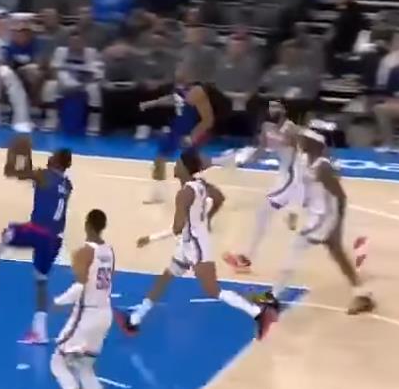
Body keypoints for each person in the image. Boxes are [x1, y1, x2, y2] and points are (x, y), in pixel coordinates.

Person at [115, 149, 278, 340]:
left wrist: (151, 238)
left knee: (213, 290)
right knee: (165, 278)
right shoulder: (200, 184)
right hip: (189, 242)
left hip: (195, 245)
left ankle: (259, 313)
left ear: (185, 167)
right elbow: (219, 197)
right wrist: (206, 219)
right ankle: (134, 319)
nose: (175, 165)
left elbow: (177, 228)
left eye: (178, 163)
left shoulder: (184, 194)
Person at [265, 129, 375, 315]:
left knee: (295, 248)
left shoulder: (323, 167)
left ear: (315, 143)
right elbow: (299, 187)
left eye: (305, 139)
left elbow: (341, 196)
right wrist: (293, 211)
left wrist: (337, 225)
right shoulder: (304, 160)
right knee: (337, 254)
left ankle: (273, 296)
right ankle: (362, 294)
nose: (301, 141)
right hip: (316, 215)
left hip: (325, 218)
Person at [0, 147, 73, 344]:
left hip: (39, 232)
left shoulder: (44, 175)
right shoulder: (68, 184)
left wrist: (22, 152)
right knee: (41, 280)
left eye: (52, 156)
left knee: (4, 237)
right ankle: (40, 331)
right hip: (55, 240)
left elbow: (18, 172)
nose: (49, 157)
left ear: (57, 161)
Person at [221, 101, 302, 273]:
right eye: (271, 106)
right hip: (283, 176)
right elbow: (262, 149)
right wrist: (243, 160)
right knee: (263, 214)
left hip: (294, 175)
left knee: (264, 213)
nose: (272, 110)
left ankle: (293, 209)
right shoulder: (266, 127)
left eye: (277, 106)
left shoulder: (291, 129)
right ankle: (292, 210)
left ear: (284, 110)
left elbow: (300, 148)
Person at [50, 209, 114, 389]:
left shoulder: (84, 252)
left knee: (58, 363)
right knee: (85, 369)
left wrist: (58, 302)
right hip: (104, 314)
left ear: (87, 225)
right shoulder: (109, 251)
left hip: (87, 316)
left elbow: (80, 286)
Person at [139, 65, 214, 204]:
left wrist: (192, 137)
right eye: (177, 69)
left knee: (184, 170)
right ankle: (159, 194)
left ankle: (203, 194)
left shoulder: (197, 91)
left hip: (191, 131)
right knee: (159, 160)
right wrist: (152, 103)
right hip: (176, 129)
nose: (177, 72)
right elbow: (173, 99)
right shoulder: (180, 87)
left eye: (181, 70)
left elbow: (208, 120)